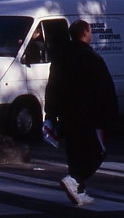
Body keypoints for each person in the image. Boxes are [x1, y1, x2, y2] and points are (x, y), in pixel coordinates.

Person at [46, 19, 113, 205]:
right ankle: (75, 180)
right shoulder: (91, 58)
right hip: (89, 114)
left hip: (67, 114)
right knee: (97, 152)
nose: (91, 35)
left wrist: (51, 112)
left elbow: (52, 86)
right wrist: (109, 115)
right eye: (90, 31)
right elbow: (105, 88)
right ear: (84, 33)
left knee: (75, 153)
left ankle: (79, 191)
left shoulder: (60, 57)